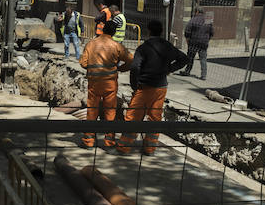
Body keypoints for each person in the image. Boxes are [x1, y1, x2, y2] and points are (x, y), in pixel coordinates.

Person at [122, 19, 189, 155]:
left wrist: (134, 85)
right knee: (154, 117)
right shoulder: (167, 46)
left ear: (148, 31)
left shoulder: (143, 48)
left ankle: (125, 147)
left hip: (144, 87)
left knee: (133, 116)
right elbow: (184, 59)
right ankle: (150, 148)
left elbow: (135, 67)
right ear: (161, 31)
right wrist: (169, 69)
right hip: (160, 88)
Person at [78, 19, 133, 148]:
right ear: (114, 32)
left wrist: (94, 67)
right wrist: (121, 68)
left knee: (92, 111)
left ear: (103, 30)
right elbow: (131, 59)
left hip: (94, 83)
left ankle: (88, 141)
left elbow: (83, 63)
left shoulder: (91, 43)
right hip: (110, 84)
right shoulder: (117, 46)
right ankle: (109, 142)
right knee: (110, 112)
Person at [179, 7, 214, 80]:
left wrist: (188, 41)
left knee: (190, 57)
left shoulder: (193, 19)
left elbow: (187, 31)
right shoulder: (208, 20)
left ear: (197, 12)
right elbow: (212, 33)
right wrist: (207, 40)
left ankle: (187, 71)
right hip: (203, 43)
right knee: (203, 59)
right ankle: (203, 75)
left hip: (193, 42)